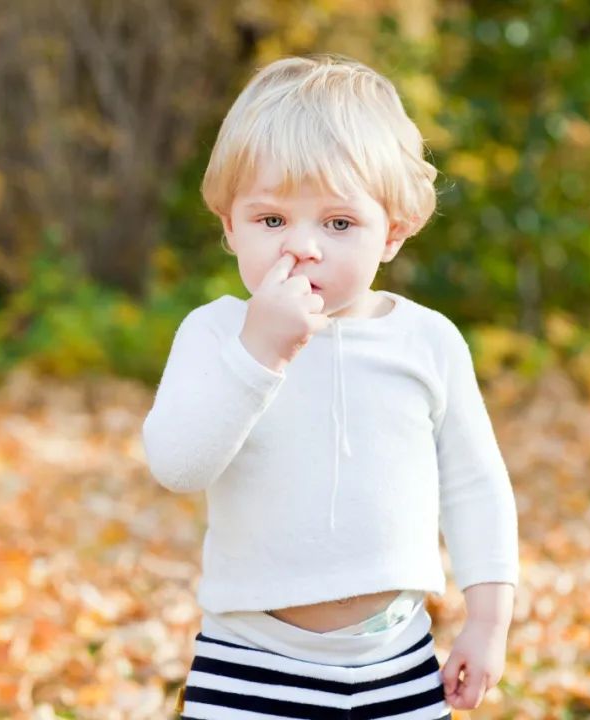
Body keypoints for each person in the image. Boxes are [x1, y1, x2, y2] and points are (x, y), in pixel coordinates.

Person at [142, 54, 519, 719]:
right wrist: (259, 352)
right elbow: (177, 466)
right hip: (250, 663)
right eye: (271, 220)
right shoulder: (217, 334)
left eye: (339, 224)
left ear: (393, 232)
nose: (304, 247)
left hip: (397, 659)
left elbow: (475, 485)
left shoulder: (426, 341)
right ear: (229, 224)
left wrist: (488, 622)